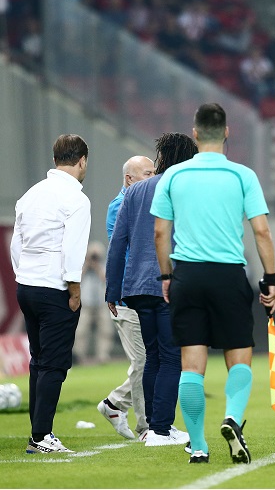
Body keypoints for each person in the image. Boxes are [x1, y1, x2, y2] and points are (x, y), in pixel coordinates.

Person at [150, 104, 275, 464]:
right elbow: (262, 231)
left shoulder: (174, 176)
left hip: (187, 275)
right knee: (239, 357)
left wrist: (166, 276)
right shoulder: (242, 175)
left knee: (191, 365)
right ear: (226, 132)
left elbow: (160, 232)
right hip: (228, 275)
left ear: (195, 133)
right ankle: (233, 418)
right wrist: (270, 278)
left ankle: (198, 446)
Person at [106, 133, 198, 448]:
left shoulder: (134, 191)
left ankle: (154, 428)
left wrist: (112, 289)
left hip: (136, 287)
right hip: (169, 284)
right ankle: (160, 429)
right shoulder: (182, 189)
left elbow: (118, 243)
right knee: (171, 357)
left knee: (153, 356)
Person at [10, 134, 91, 453]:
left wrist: (24, 275)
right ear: (82, 160)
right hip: (54, 288)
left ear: (55, 159)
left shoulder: (31, 194)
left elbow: (16, 243)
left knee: (39, 360)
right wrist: (75, 290)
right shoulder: (76, 200)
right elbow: (73, 249)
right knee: (54, 364)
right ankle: (41, 435)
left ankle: (38, 431)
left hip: (27, 286)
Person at [98, 156, 155, 441]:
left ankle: (114, 403)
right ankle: (147, 427)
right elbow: (122, 252)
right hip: (128, 295)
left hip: (144, 292)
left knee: (152, 360)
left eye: (154, 172)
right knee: (143, 361)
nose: (153, 178)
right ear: (129, 179)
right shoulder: (120, 206)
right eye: (147, 173)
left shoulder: (143, 202)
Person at [73, 241, 115, 365]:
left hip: (101, 303)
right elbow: (77, 279)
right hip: (86, 304)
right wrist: (87, 264)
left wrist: (96, 266)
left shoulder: (104, 265)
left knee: (105, 331)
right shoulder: (83, 267)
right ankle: (78, 356)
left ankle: (103, 356)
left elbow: (106, 279)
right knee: (80, 331)